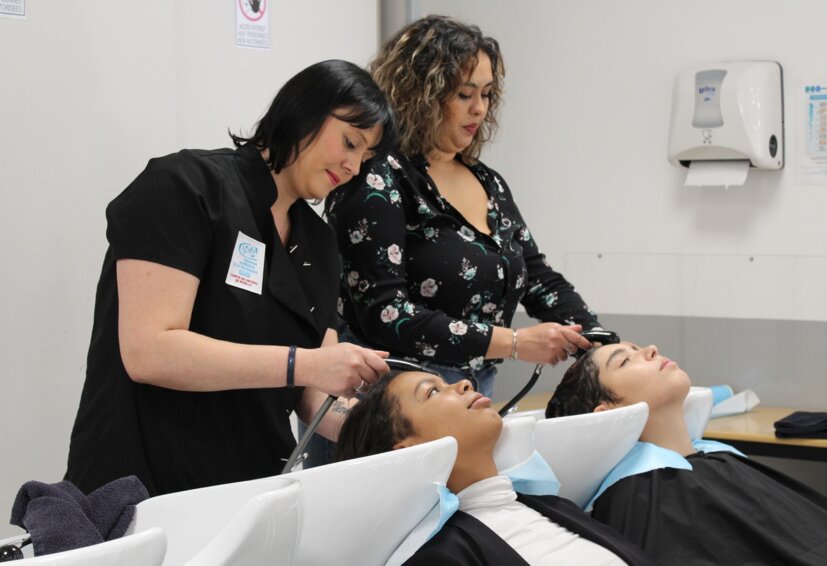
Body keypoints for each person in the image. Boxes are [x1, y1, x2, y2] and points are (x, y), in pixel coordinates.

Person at [65, 60, 396, 496]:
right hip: (142, 485)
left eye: (365, 157)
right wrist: (305, 363)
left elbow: (315, 397)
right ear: (304, 110)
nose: (353, 166)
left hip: (246, 490)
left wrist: (391, 430)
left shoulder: (318, 243)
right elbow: (149, 352)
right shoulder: (186, 187)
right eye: (350, 142)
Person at [326, 15, 609, 399]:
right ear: (420, 93)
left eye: (487, 94)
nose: (479, 109)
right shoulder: (377, 177)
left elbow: (538, 277)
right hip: (393, 402)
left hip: (470, 397)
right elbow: (384, 314)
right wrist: (512, 342)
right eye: (464, 94)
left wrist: (600, 341)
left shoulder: (487, 181)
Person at [546, 342, 827, 565]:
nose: (651, 349)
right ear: (607, 410)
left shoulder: (712, 456)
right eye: (624, 361)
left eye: (638, 348)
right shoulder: (641, 495)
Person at [336, 370, 652, 566]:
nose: (463, 382)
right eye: (432, 391)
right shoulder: (441, 556)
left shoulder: (551, 505)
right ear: (408, 449)